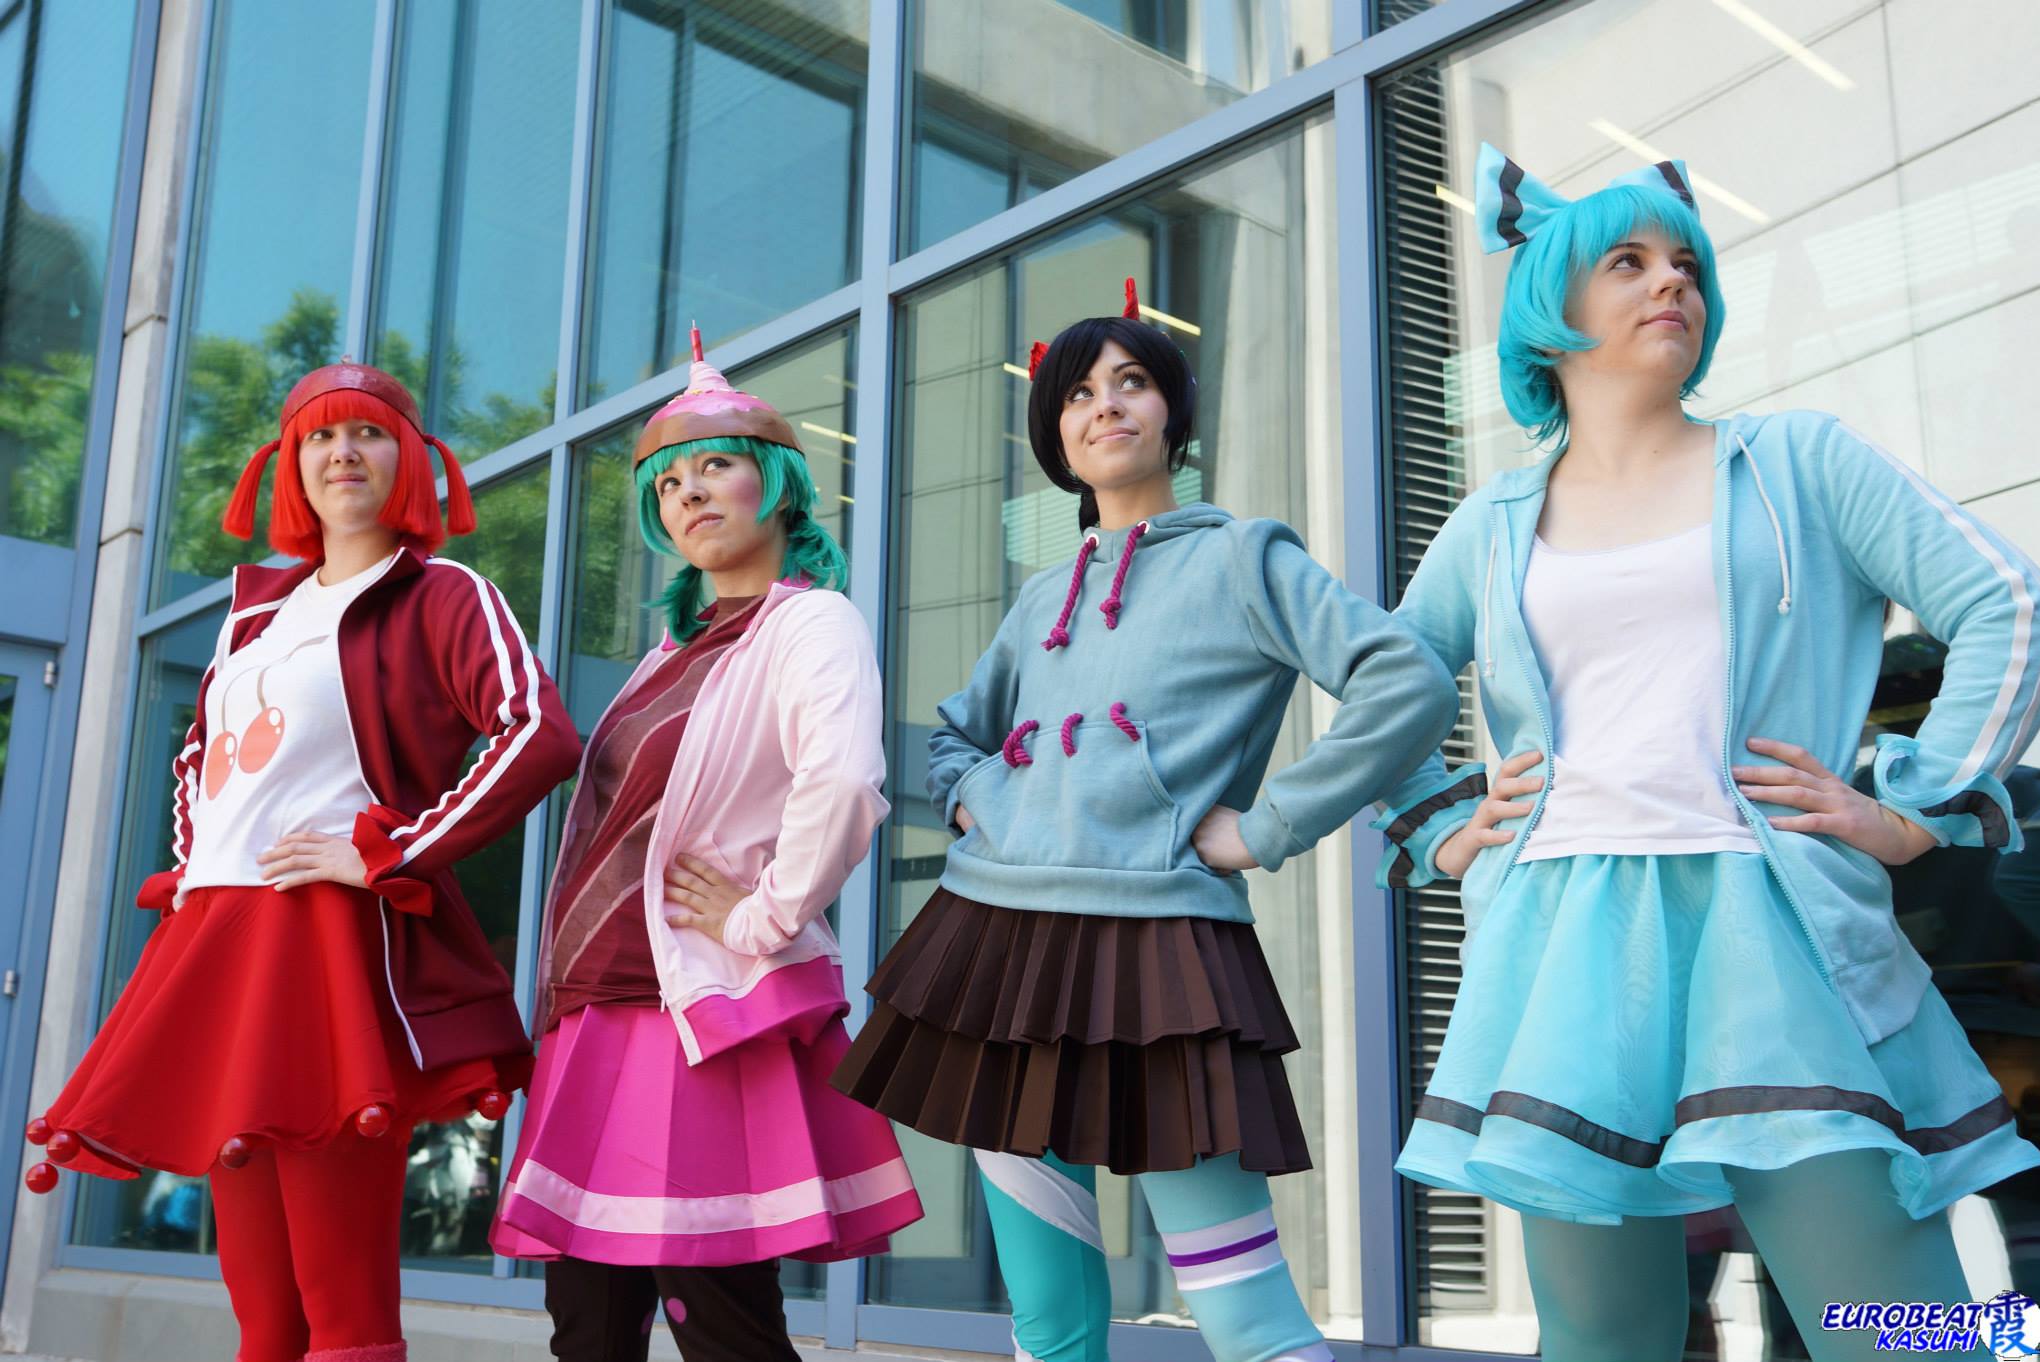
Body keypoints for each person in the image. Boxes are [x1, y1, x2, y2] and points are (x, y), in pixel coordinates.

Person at [1376, 144, 2040, 1361]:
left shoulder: (1797, 461)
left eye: (1684, 262)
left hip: (1770, 930)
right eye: (1626, 262)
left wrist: (1918, 804)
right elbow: (1387, 686)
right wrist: (1447, 827)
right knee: (1602, 1338)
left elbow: (2005, 598)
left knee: (1902, 1329)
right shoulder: (1489, 524)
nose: (1669, 281)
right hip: (1561, 947)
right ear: (1549, 307)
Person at [833, 280, 1459, 1362]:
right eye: (1078, 393)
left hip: (1159, 955)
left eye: (1130, 382)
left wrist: (1268, 826)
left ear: (1173, 411)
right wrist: (981, 798)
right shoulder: (1041, 596)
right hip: (994, 948)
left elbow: (1405, 682)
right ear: (1055, 434)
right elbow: (953, 738)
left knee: (1246, 1321)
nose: (1105, 405)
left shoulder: (1243, 557)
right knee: (1048, 1321)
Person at [27, 361, 581, 1362]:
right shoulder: (254, 615)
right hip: (219, 937)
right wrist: (193, 870)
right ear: (289, 465)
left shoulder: (442, 592)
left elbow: (537, 731)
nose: (343, 454)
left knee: (342, 1309)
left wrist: (396, 852)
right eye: (320, 437)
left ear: (409, 457)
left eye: (367, 433)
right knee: (264, 1314)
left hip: (326, 942)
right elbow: (197, 757)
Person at [489, 336, 922, 1362]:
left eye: (716, 464)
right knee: (587, 1324)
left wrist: (762, 914)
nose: (689, 493)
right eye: (667, 483)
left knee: (716, 1313)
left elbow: (843, 782)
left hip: (694, 1009)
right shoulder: (665, 657)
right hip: (597, 1009)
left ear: (777, 481)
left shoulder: (810, 623)